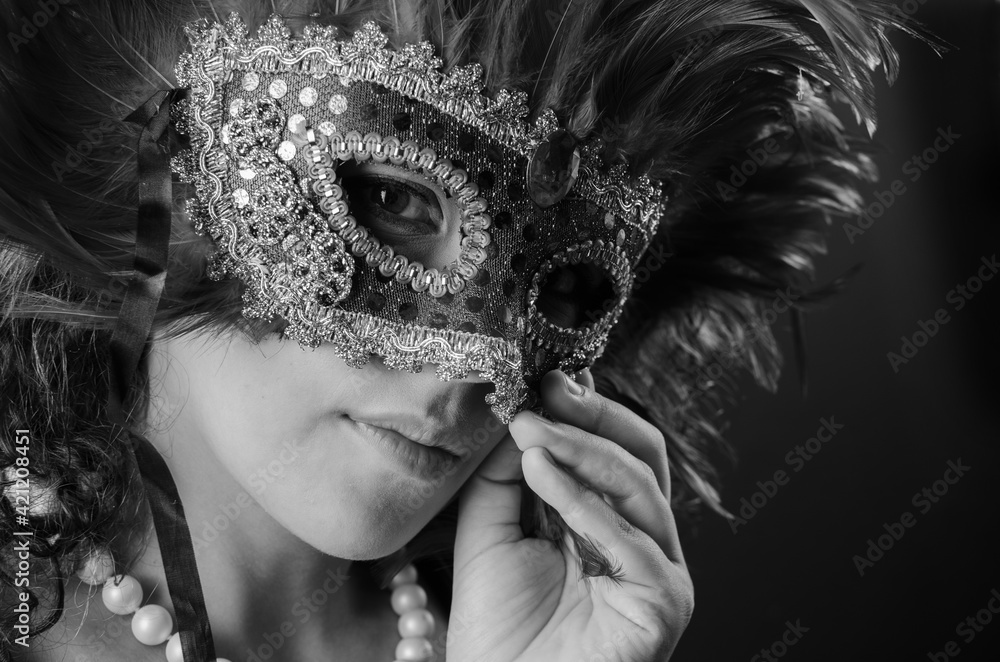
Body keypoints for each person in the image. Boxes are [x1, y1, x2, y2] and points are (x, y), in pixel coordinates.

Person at [0, 1, 915, 660]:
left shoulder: (517, 634)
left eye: (567, 282)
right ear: (179, 147)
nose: (471, 372)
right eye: (394, 198)